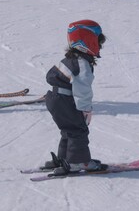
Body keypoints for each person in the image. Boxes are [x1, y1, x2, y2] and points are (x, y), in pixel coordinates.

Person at [44, 19, 106, 174]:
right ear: (87, 40)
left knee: (68, 130)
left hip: (55, 99)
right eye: (98, 42)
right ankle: (78, 162)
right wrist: (86, 109)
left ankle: (64, 159)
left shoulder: (71, 59)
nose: (100, 46)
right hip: (64, 100)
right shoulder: (82, 64)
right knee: (78, 130)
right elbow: (82, 89)